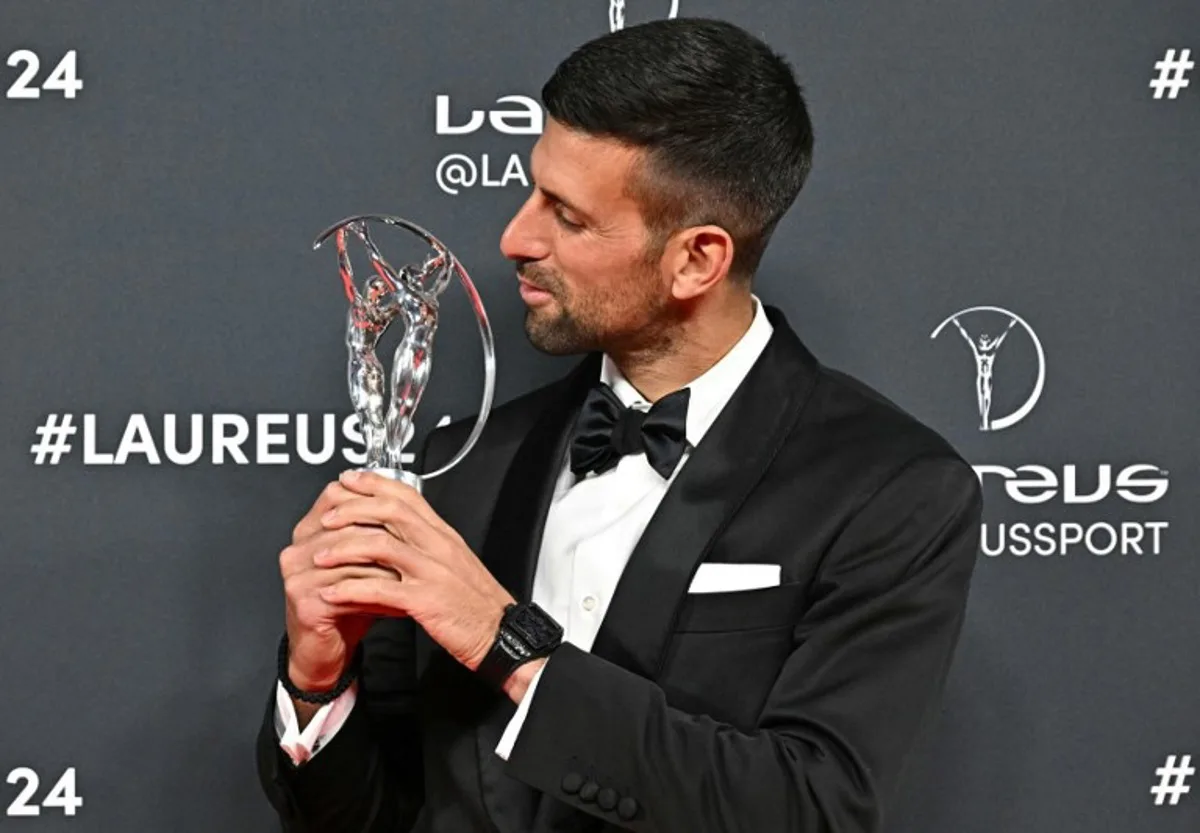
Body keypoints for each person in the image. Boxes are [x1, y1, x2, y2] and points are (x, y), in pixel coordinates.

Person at [256, 17, 983, 833]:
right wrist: (318, 680)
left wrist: (507, 640)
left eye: (567, 216)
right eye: (531, 190)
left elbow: (812, 809)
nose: (514, 238)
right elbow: (375, 817)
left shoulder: (889, 488)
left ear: (696, 259)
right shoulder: (464, 465)